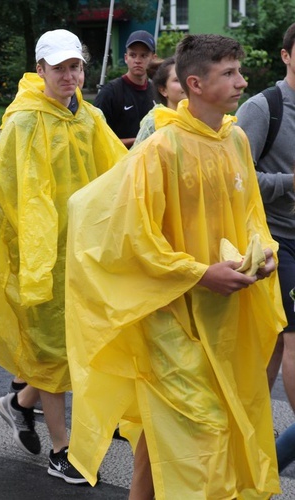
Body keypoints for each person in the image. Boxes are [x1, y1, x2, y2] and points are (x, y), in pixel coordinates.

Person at [66, 34, 284, 498]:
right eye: (229, 73)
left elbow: (251, 216)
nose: (242, 81)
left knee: (169, 426)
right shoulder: (161, 148)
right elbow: (133, 238)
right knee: (201, 429)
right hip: (167, 314)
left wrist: (263, 254)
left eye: (239, 71)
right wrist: (200, 273)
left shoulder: (235, 139)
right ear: (195, 84)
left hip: (222, 312)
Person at [0, 29, 126, 485]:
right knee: (55, 349)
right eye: (59, 68)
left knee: (76, 348)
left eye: (75, 67)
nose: (69, 76)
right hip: (39, 259)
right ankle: (61, 449)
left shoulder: (89, 117)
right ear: (40, 70)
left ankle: (19, 404)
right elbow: (5, 196)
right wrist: (28, 259)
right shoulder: (22, 122)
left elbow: (118, 172)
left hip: (80, 254)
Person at [236, 22, 295, 422]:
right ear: (286, 55)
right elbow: (235, 176)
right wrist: (291, 182)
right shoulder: (263, 108)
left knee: (275, 340)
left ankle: (250, 427)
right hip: (276, 239)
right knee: (292, 338)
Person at [94, 30, 157, 148]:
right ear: (126, 57)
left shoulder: (158, 93)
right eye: (133, 55)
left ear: (153, 58)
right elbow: (98, 138)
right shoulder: (110, 93)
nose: (137, 60)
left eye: (143, 55)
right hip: (119, 163)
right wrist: (141, 140)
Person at [134, 57, 185, 145]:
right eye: (177, 80)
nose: (185, 84)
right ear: (163, 90)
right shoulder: (154, 121)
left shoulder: (201, 118)